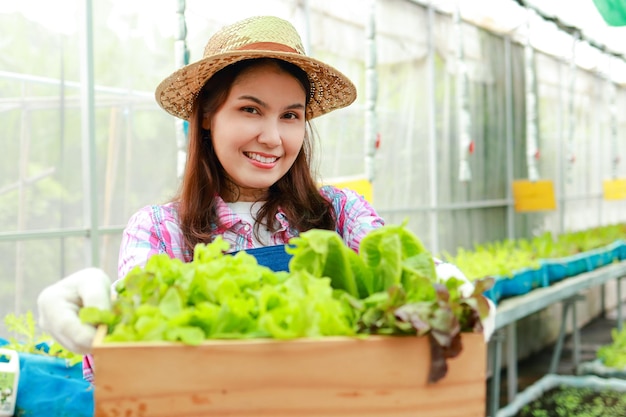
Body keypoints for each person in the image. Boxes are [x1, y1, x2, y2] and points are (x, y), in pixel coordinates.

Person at [37, 15, 495, 382]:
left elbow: (403, 274)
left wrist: (448, 293)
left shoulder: (339, 211)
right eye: (250, 109)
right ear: (207, 118)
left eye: (290, 115)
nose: (273, 137)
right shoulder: (159, 227)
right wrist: (99, 311)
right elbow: (136, 316)